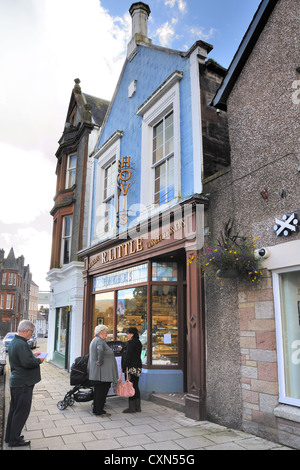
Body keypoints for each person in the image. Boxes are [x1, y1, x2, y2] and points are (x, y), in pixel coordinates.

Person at [5, 320, 45, 447]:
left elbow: (22, 358)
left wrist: (32, 355)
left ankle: (10, 437)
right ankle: (15, 440)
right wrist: (39, 360)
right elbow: (27, 363)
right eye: (31, 332)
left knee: (14, 410)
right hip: (23, 383)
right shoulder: (21, 344)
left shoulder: (15, 342)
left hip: (17, 382)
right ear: (27, 331)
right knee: (21, 411)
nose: (31, 335)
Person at [88, 324, 118, 417]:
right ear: (101, 332)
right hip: (102, 373)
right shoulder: (99, 341)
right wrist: (100, 361)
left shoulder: (95, 340)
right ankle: (99, 411)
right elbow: (100, 350)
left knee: (98, 391)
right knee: (101, 391)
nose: (106, 334)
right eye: (106, 332)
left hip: (99, 373)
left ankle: (96, 409)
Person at [121, 327, 142, 413]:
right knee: (136, 386)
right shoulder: (138, 342)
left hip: (131, 367)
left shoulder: (131, 343)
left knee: (131, 386)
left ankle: (132, 407)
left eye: (128, 333)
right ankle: (138, 407)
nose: (127, 335)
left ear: (132, 334)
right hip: (138, 366)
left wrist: (123, 367)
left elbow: (128, 356)